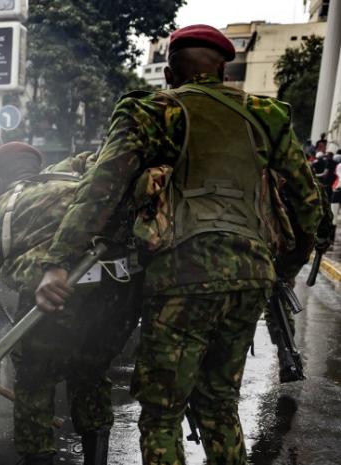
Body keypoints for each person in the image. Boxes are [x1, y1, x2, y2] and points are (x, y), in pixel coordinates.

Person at [34, 25, 322, 465]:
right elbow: (308, 204)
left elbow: (99, 189)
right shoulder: (269, 115)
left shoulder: (153, 112)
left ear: (169, 75)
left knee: (162, 412)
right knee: (220, 403)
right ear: (224, 71)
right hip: (251, 274)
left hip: (182, 274)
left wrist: (57, 261)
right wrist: (285, 267)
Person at [0, 144, 139, 465]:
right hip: (119, 290)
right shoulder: (73, 184)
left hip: (58, 295)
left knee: (34, 383)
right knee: (90, 374)